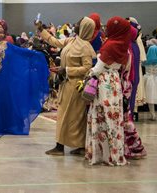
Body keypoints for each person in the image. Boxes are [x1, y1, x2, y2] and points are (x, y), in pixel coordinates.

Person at [39, 17, 96, 155]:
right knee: (67, 115)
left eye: (78, 23)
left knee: (73, 117)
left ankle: (62, 147)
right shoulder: (71, 40)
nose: (75, 25)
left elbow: (88, 68)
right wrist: (42, 30)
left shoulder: (86, 47)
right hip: (66, 84)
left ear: (84, 28)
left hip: (76, 86)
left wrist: (67, 70)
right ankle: (73, 146)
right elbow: (55, 42)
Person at [86, 16, 131, 166]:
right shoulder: (125, 45)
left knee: (101, 116)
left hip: (104, 83)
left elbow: (98, 69)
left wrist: (89, 74)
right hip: (115, 83)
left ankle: (102, 155)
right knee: (114, 117)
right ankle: (114, 153)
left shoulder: (110, 45)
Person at [123, 22, 147, 159]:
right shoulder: (135, 45)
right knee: (129, 111)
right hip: (134, 79)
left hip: (128, 81)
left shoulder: (129, 46)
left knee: (126, 113)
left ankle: (130, 143)